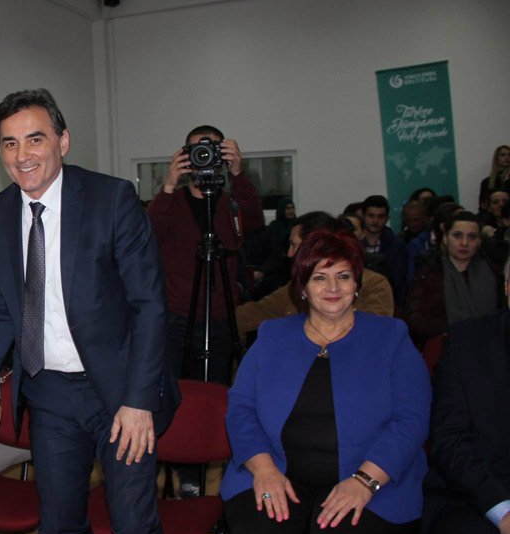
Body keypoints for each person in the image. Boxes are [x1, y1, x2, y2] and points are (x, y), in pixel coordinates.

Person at [0, 88, 178, 534]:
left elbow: (149, 306)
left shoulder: (111, 199)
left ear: (63, 141)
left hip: (119, 393)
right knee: (61, 530)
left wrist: (139, 400)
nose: (22, 155)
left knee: (134, 528)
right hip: (49, 394)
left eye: (35, 139)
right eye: (9, 143)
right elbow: (1, 312)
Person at [221, 229, 430, 534]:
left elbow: (412, 419)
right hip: (278, 475)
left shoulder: (391, 338)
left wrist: (364, 481)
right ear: (302, 287)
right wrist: (263, 469)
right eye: (320, 277)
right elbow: (241, 407)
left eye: (343, 276)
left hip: (370, 482)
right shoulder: (272, 336)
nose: (333, 287)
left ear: (357, 284)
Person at [411, 260, 510, 534]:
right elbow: (450, 441)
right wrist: (503, 512)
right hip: (480, 499)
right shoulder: (467, 343)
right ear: (507, 288)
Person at [147, 124, 264, 387]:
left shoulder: (230, 202)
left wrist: (238, 173)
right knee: (177, 390)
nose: (204, 156)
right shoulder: (172, 201)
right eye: (197, 150)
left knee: (217, 390)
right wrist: (168, 184)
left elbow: (255, 222)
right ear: (185, 155)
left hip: (221, 316)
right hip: (177, 316)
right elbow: (149, 234)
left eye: (212, 150)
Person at [236, 212, 394, 335]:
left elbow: (374, 332)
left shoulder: (373, 284)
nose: (289, 254)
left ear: (315, 246)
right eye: (319, 278)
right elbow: (254, 313)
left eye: (294, 245)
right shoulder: (296, 287)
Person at [404, 211, 503, 348]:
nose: (464, 243)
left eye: (472, 237)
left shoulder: (496, 273)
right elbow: (417, 321)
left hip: (492, 347)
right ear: (445, 238)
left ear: (480, 241)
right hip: (444, 348)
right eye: (457, 235)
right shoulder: (427, 274)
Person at [361, 194, 407, 303]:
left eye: (380, 216)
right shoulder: (354, 243)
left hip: (387, 300)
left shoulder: (397, 246)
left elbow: (399, 281)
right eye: (371, 216)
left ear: (387, 218)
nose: (375, 221)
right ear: (363, 216)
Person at [478, 144, 510, 211]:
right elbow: (482, 205)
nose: (507, 157)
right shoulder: (486, 182)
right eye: (503, 155)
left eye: (509, 155)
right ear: (496, 159)